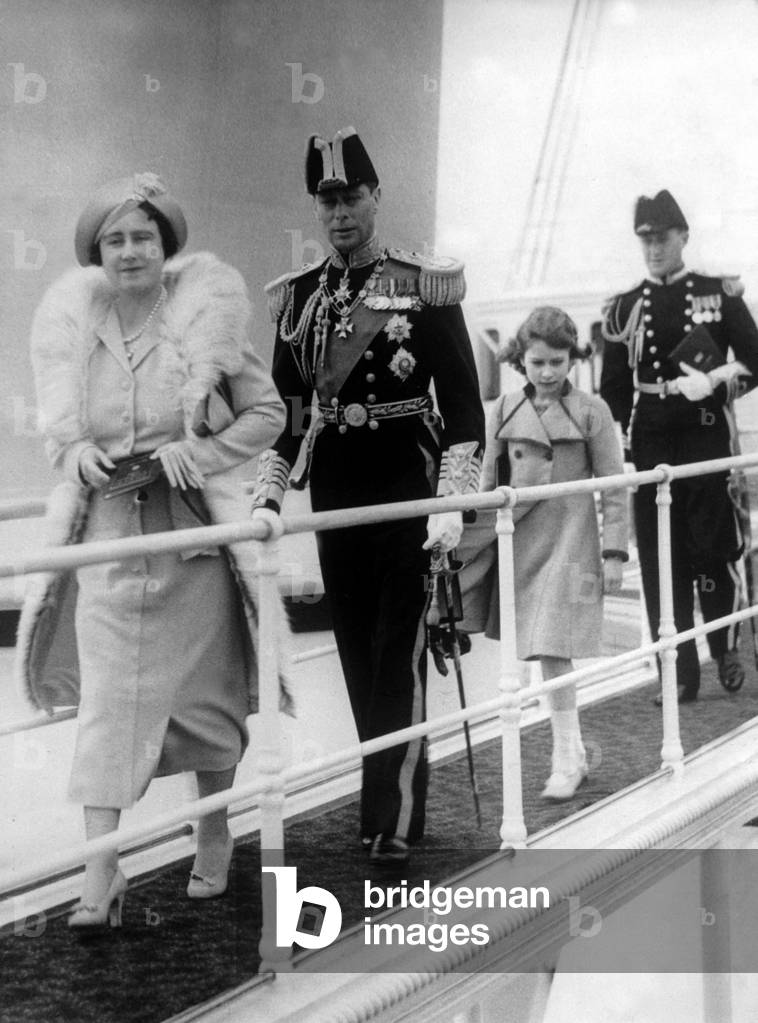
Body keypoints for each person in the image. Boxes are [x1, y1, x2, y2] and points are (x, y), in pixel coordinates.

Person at [18, 172, 290, 931]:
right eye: (115, 239)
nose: (130, 250)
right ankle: (101, 873)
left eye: (143, 236)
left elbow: (268, 413)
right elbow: (61, 432)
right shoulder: (76, 325)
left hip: (192, 540)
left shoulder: (204, 319)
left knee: (206, 704)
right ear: (96, 251)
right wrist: (71, 454)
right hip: (107, 541)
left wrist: (199, 453)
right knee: (106, 709)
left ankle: (212, 828)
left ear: (166, 244)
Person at [252, 128, 485, 864]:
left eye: (352, 195)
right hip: (340, 493)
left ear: (376, 196)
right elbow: (289, 411)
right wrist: (268, 494)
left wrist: (452, 500)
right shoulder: (299, 300)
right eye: (327, 199)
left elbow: (467, 407)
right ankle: (381, 798)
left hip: (408, 488)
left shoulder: (425, 283)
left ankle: (394, 815)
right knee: (358, 649)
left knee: (398, 651)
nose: (340, 211)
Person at [459, 307, 628, 800]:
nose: (549, 372)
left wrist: (615, 554)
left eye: (558, 361)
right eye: (538, 362)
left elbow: (616, 488)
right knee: (537, 651)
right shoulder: (506, 409)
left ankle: (564, 758)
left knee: (552, 649)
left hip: (571, 541)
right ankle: (571, 753)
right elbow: (488, 481)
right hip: (520, 541)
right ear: (521, 360)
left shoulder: (593, 410)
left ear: (572, 358)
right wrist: (464, 540)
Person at [601, 189, 758, 703]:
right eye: (645, 240)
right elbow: (614, 391)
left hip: (706, 433)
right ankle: (677, 669)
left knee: (712, 548)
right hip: (651, 438)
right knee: (660, 555)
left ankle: (725, 645)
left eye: (662, 238)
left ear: (683, 237)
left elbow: (756, 362)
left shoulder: (719, 293)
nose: (653, 249)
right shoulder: (624, 308)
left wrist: (715, 383)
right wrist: (617, 452)